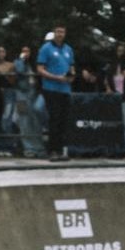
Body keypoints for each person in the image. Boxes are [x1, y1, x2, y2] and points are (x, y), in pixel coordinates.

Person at [35, 24, 75, 159]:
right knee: (54, 119)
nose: (60, 34)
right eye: (58, 31)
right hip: (51, 88)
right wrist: (56, 77)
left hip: (65, 89)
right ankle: (53, 150)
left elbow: (71, 66)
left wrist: (71, 76)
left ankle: (63, 150)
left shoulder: (68, 49)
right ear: (54, 33)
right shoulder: (46, 48)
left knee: (64, 120)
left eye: (62, 32)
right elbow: (40, 69)